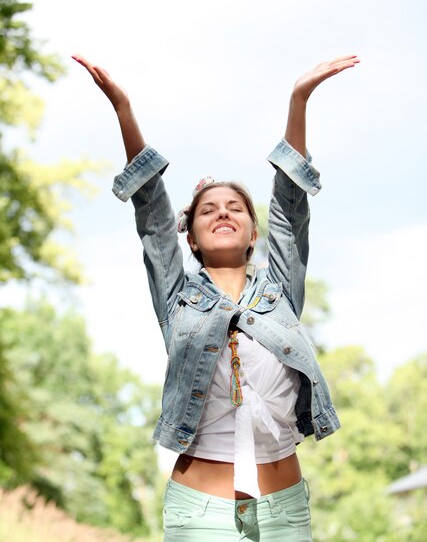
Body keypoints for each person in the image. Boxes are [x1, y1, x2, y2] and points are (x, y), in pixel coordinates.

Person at [73, 53, 359, 541]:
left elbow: (290, 211)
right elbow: (153, 214)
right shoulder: (178, 296)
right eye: (208, 209)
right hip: (199, 515)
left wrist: (299, 98)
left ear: (252, 233)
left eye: (235, 208)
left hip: (284, 513)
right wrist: (124, 109)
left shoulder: (280, 293)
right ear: (191, 237)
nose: (223, 213)